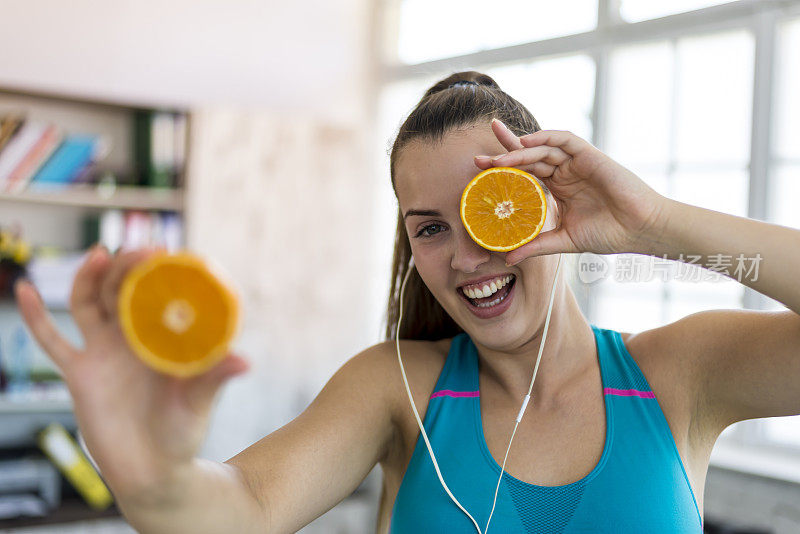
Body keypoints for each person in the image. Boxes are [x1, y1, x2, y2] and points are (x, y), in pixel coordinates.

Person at [14, 70, 800, 533]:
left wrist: (652, 222)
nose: (464, 258)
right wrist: (153, 477)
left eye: (490, 210)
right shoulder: (397, 387)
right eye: (428, 228)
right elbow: (246, 506)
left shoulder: (678, 372)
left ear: (548, 203)